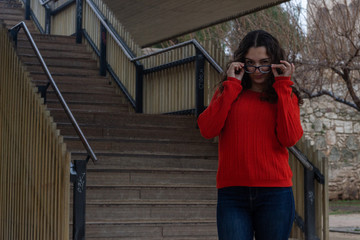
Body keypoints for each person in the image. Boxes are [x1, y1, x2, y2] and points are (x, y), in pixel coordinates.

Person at [197, 30, 303, 240]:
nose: (257, 70)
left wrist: (283, 85)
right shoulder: (228, 92)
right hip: (232, 195)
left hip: (275, 194)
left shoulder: (285, 95)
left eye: (264, 62)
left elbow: (289, 138)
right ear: (241, 63)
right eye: (250, 63)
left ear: (275, 61)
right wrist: (232, 86)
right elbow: (207, 130)